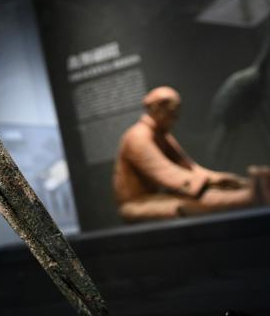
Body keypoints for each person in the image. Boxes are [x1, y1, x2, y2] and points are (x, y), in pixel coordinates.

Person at [113, 86, 268, 222]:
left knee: (209, 195)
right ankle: (252, 196)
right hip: (136, 205)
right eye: (172, 114)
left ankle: (253, 193)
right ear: (157, 110)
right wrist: (210, 181)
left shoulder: (161, 134)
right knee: (192, 205)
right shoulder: (138, 137)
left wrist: (220, 178)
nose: (175, 119)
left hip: (155, 197)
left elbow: (188, 167)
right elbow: (167, 174)